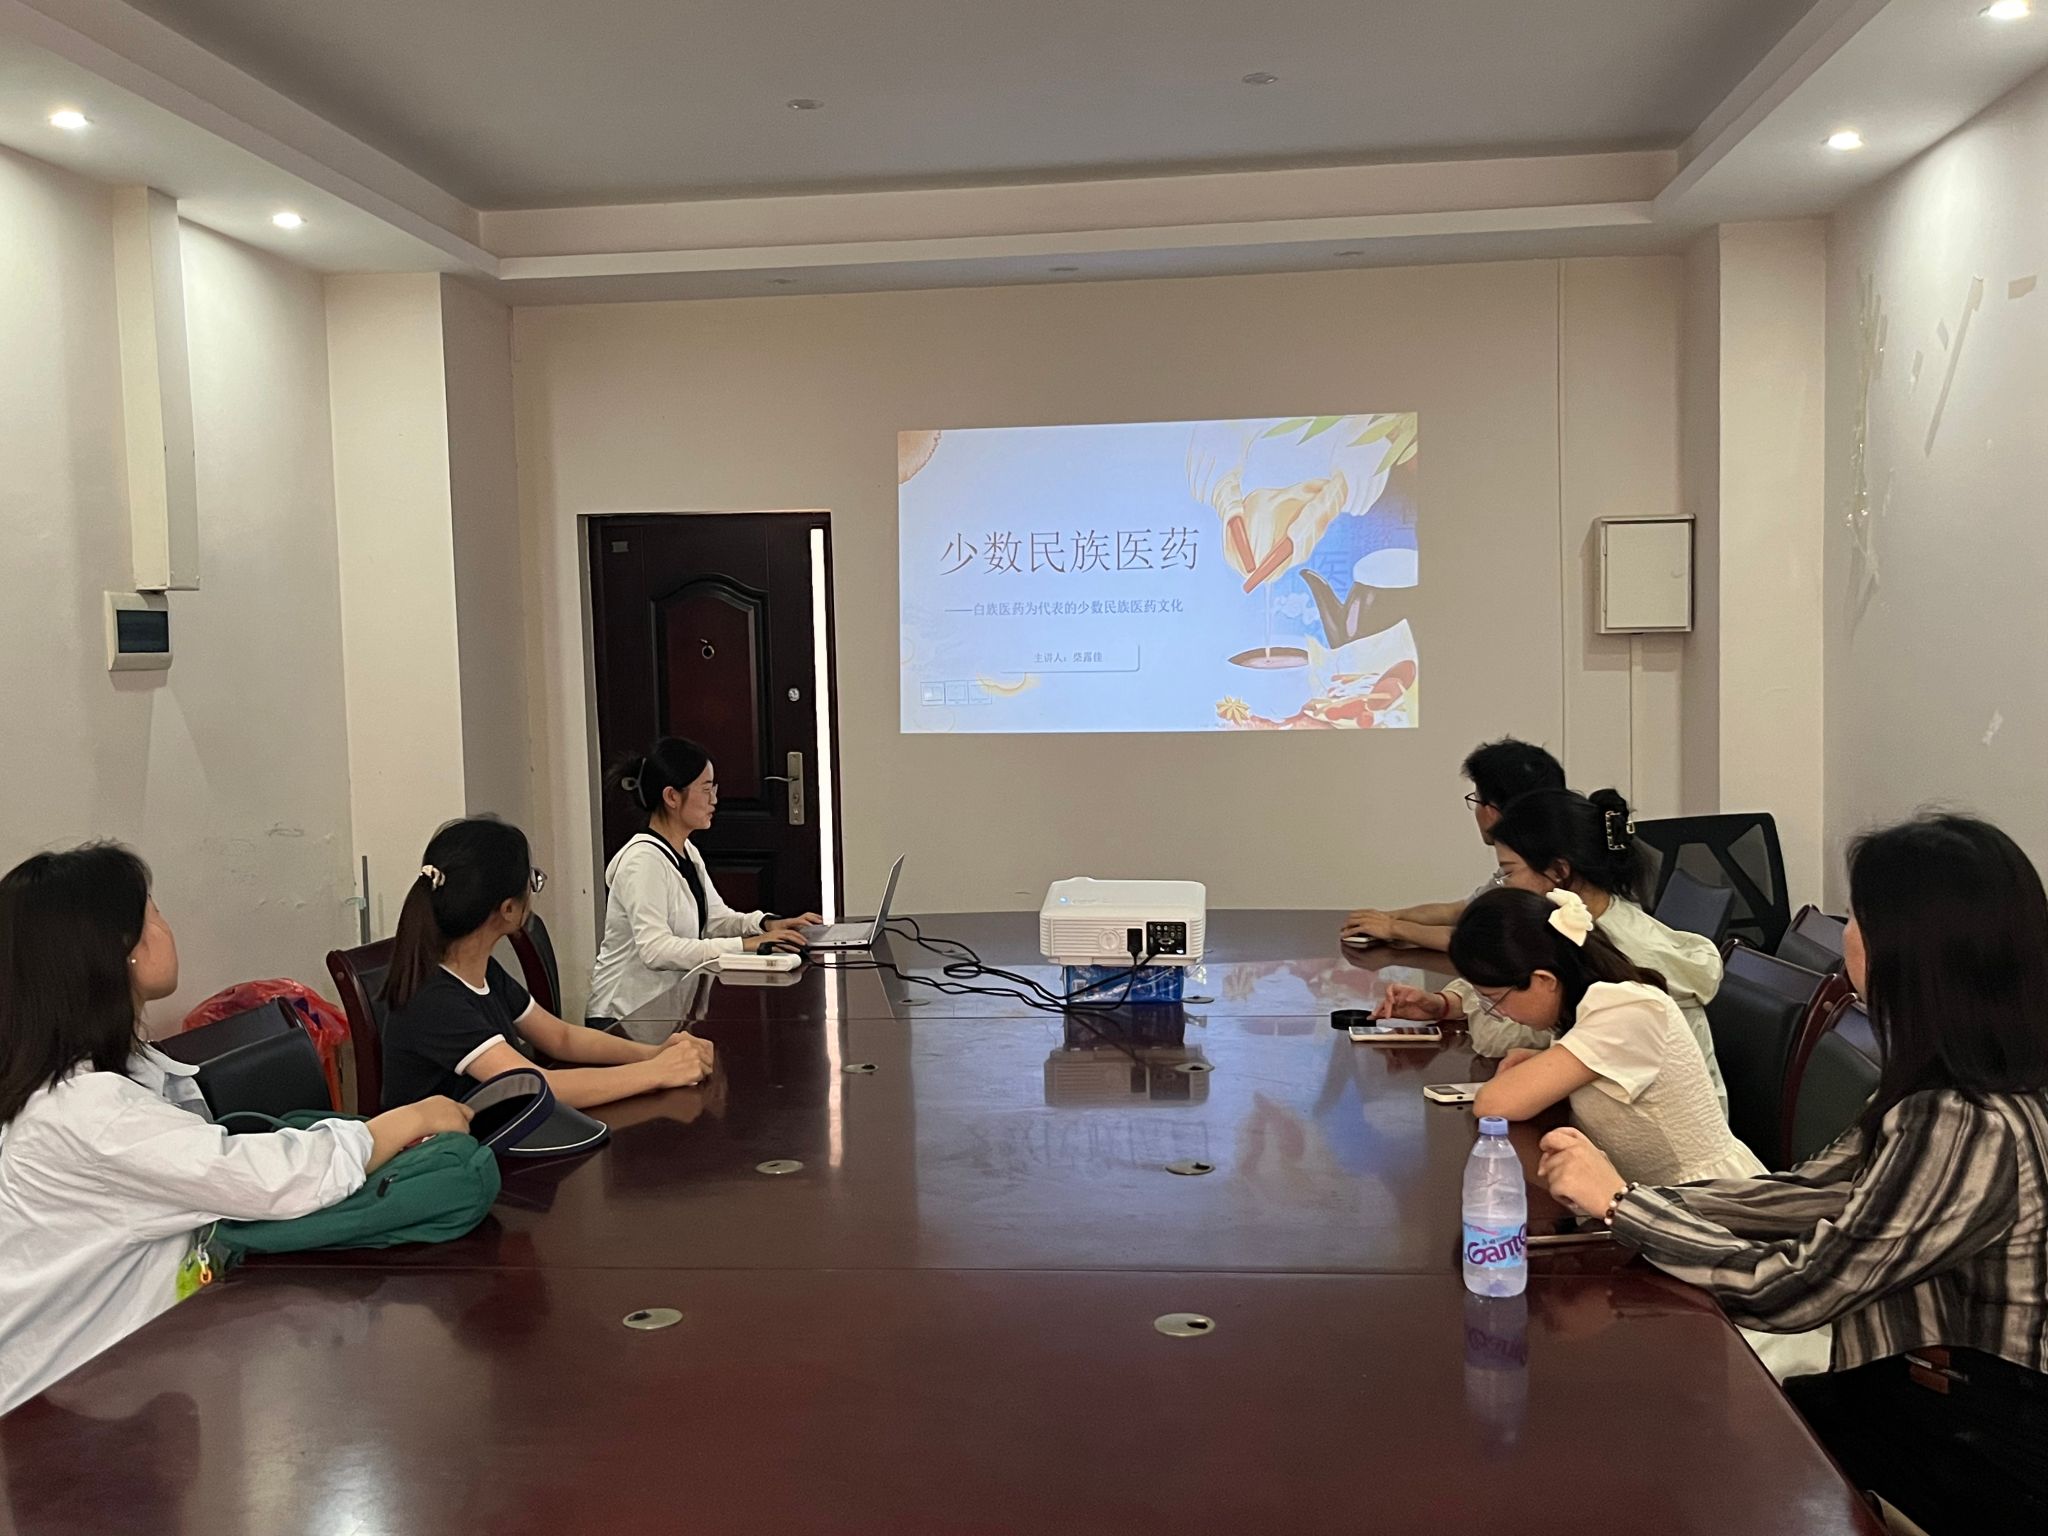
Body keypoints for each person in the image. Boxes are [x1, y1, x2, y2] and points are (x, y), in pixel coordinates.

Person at [1539, 814, 2048, 1532]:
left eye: (1857, 918)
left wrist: (1625, 1207)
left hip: (1987, 1438)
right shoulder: (1958, 1078)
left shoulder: (1966, 1120)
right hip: (1919, 1385)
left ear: (1908, 949)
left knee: (1677, 1438)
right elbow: (1812, 1193)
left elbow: (1794, 1290)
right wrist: (1634, 1202)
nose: (1845, 935)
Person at [0, 844, 473, 1415]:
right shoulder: (86, 1114)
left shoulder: (93, 1079)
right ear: (119, 950)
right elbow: (265, 1178)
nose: (165, 926)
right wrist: (409, 1119)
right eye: (153, 912)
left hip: (127, 1373)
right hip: (58, 1415)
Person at [1388, 887, 1760, 1188]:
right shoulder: (1589, 1005)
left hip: (1708, 1203)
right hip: (1655, 1199)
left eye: (1494, 1000)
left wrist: (1529, 1075)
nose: (1496, 1013)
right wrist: (1541, 1063)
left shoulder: (1625, 1010)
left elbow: (1492, 1102)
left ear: (1543, 980)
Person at [381, 816, 716, 1109]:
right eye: (532, 881)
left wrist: (653, 1053)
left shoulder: (481, 971)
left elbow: (560, 1037)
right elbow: (535, 1086)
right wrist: (657, 1072)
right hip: (446, 1155)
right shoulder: (435, 1000)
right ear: (508, 909)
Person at [1463, 787, 1727, 1112]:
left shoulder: (1612, 957)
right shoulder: (1592, 923)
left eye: (1508, 872)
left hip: (1659, 1127)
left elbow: (1498, 1037)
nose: (1504, 886)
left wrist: (1472, 998)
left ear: (1559, 872)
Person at [585, 738, 820, 1025]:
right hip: (621, 1019)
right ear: (672, 797)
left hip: (663, 1013)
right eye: (706, 790)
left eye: (714, 789)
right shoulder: (643, 862)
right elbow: (656, 950)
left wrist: (767, 925)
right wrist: (748, 945)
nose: (714, 800)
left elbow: (716, 920)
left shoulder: (686, 850)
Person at [1341, 737, 1564, 949]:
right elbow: (1461, 912)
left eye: (1476, 799)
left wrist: (1393, 928)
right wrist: (1389, 918)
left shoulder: (1538, 871)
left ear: (1492, 811)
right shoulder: (1538, 851)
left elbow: (1480, 941)